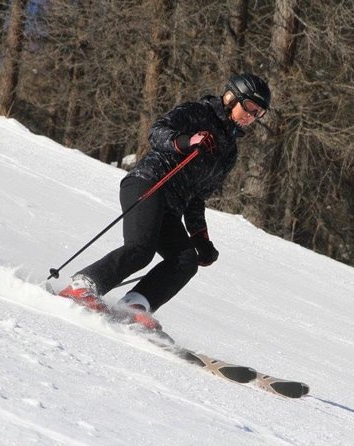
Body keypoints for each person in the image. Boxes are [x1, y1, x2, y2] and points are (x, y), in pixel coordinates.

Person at [59, 73, 271, 330]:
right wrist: (187, 142)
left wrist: (201, 240)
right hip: (148, 183)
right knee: (141, 249)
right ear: (231, 97)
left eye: (258, 113)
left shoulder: (229, 151)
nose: (251, 116)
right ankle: (81, 286)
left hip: (172, 206)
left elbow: (197, 197)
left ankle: (134, 306)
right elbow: (157, 132)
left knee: (185, 262)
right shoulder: (198, 112)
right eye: (250, 107)